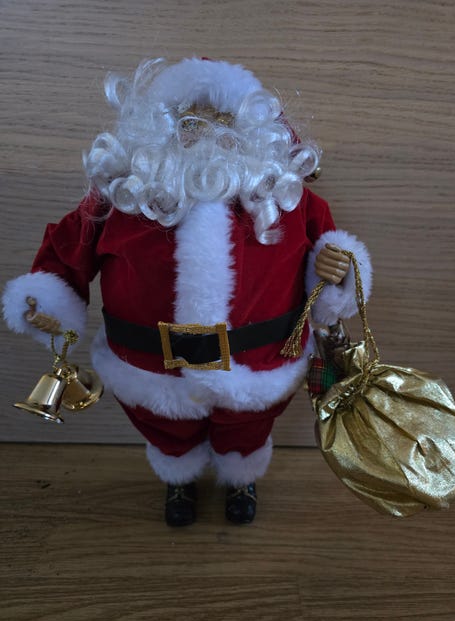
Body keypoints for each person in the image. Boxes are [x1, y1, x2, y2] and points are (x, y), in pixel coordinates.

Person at [2, 57, 372, 526]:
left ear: (254, 130)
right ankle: (178, 480)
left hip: (258, 365)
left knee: (247, 431)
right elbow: (68, 247)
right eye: (188, 120)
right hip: (149, 366)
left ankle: (241, 477)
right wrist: (46, 301)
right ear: (155, 127)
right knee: (165, 431)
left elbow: (330, 256)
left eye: (222, 120)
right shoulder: (121, 197)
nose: (204, 132)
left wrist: (338, 271)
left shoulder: (288, 198)